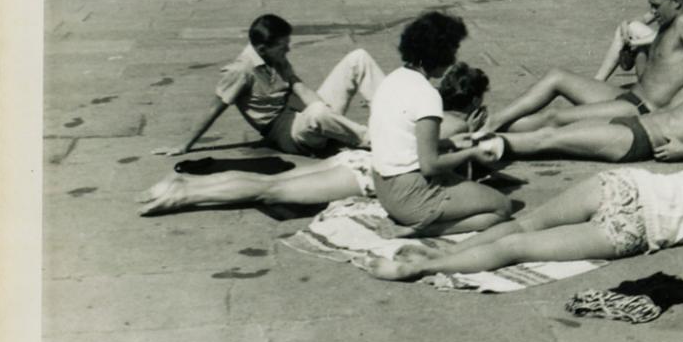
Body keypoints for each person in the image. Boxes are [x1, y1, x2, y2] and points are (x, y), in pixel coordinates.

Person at [363, 133, 683, 282]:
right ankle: (426, 266)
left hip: (625, 187)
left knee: (526, 224)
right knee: (517, 251)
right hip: (635, 230)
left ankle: (447, 250)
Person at [137, 64, 490, 217]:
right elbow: (450, 179)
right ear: (474, 101)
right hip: (364, 176)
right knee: (269, 190)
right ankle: (184, 194)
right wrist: (473, 142)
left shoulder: (429, 111)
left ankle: (185, 183)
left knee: (271, 183)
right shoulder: (456, 127)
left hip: (356, 162)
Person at [489, 0, 683, 133]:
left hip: (641, 110)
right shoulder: (669, 23)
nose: (652, 12)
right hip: (631, 97)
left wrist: (674, 115)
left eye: (656, 6)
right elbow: (652, 70)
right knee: (557, 76)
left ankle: (490, 131)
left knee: (554, 118)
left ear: (677, 2)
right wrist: (632, 50)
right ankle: (494, 121)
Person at [479, 37, 683, 166]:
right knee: (552, 126)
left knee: (549, 138)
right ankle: (480, 131)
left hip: (636, 140)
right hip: (630, 125)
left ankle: (475, 148)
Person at [153, 14, 383, 158]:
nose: (288, 50)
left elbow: (299, 87)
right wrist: (184, 145)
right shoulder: (240, 71)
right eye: (283, 46)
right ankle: (377, 140)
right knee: (318, 113)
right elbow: (214, 108)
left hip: (304, 113)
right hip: (287, 133)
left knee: (358, 58)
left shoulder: (276, 58)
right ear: (262, 48)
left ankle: (395, 116)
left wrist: (327, 111)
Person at [368, 10, 512, 235]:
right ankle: (420, 229)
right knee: (502, 208)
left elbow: (405, 141)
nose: (454, 58)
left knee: (462, 185)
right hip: (409, 196)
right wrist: (471, 153)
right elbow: (430, 165)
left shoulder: (393, 79)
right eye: (453, 50)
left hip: (384, 189)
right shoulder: (427, 95)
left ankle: (418, 219)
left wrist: (450, 143)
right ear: (440, 53)